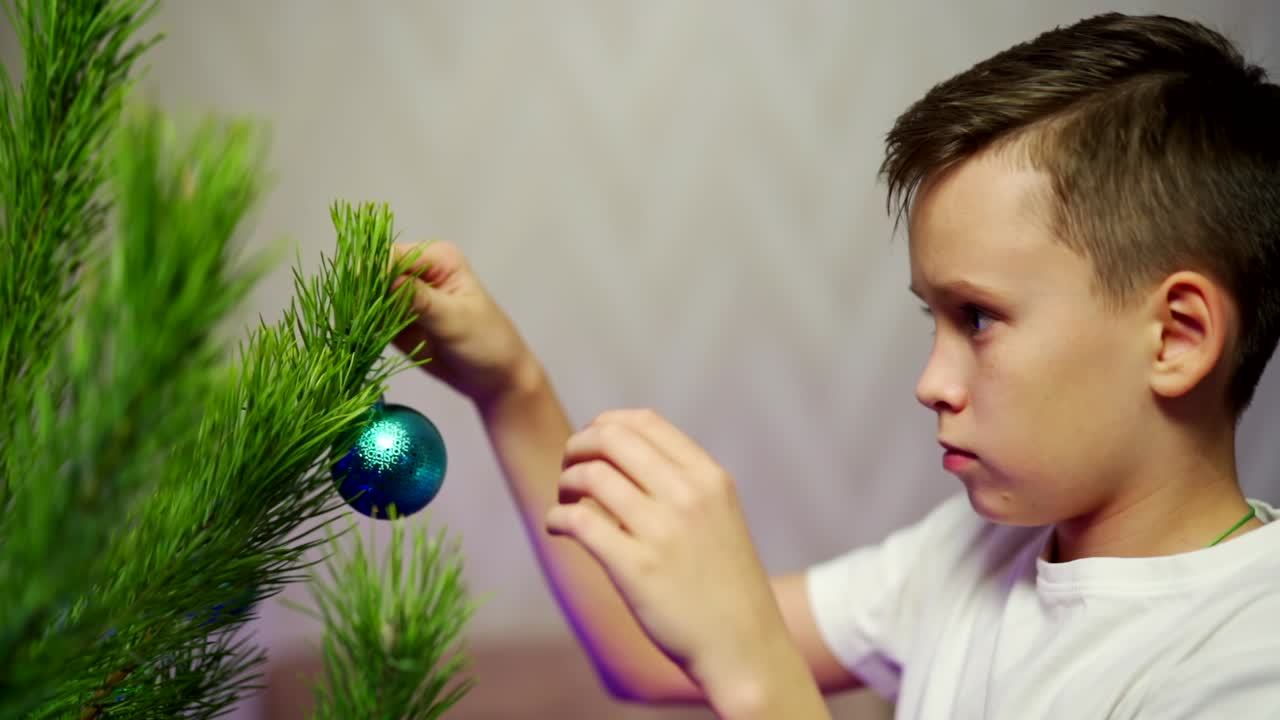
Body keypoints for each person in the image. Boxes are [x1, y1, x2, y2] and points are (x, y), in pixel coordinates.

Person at [387, 12, 1280, 719]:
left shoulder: (1246, 663)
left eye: (978, 317)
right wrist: (509, 388)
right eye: (933, 317)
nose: (931, 380)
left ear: (1176, 337)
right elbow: (640, 649)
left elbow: (742, 668)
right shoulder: (971, 556)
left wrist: (759, 673)